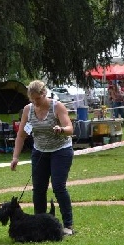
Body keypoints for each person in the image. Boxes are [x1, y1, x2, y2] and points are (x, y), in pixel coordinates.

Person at [10, 80, 75, 236]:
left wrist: (61, 129)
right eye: (32, 99)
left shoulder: (57, 106)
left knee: (59, 187)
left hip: (61, 150)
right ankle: (39, 225)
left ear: (44, 94)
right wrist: (15, 157)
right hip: (40, 151)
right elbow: (21, 135)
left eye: (37, 99)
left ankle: (68, 225)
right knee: (38, 189)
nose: (35, 102)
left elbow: (70, 128)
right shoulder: (28, 110)